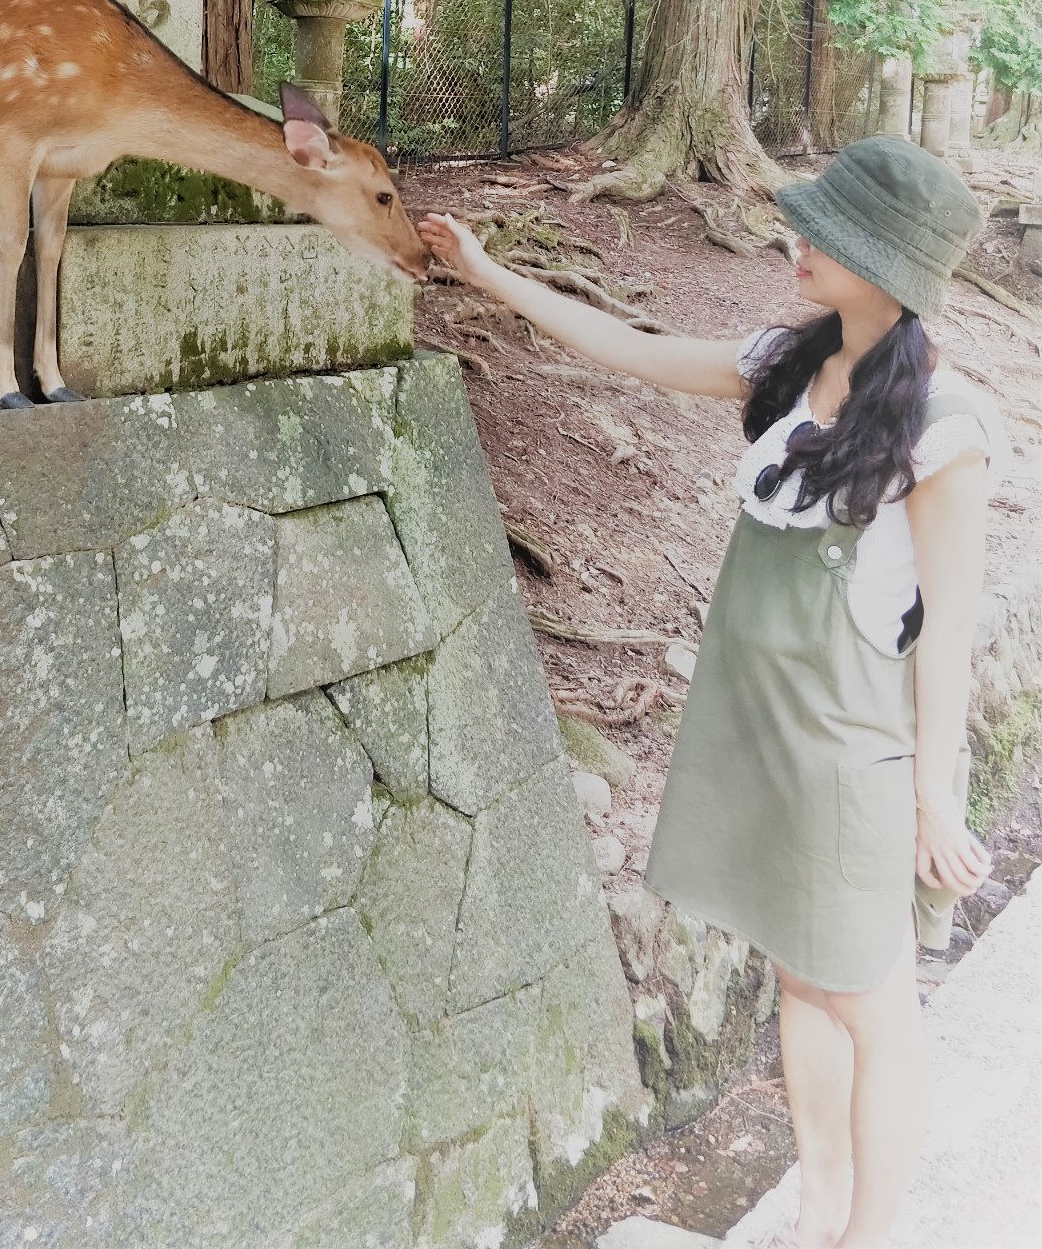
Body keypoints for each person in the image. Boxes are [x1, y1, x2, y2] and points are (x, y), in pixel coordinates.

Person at [419, 136, 1005, 1249]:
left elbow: (948, 630)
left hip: (854, 753)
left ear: (884, 263)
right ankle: (820, 1204)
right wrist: (489, 271)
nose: (801, 236)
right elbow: (633, 350)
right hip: (759, 728)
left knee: (873, 1006)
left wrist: (934, 796)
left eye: (827, 230)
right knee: (800, 984)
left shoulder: (944, 424)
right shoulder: (790, 363)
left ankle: (869, 1235)